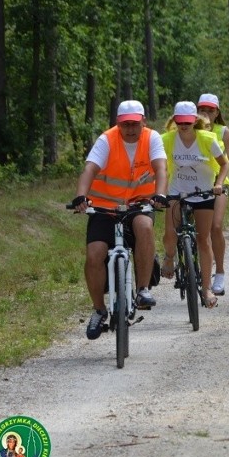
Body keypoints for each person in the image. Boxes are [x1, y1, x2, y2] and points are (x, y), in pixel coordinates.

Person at [72, 100, 168, 340]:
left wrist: (161, 194)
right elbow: (89, 169)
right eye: (125, 124)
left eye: (135, 124)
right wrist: (81, 196)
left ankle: (142, 290)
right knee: (94, 254)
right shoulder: (106, 140)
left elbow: (161, 169)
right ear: (118, 124)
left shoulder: (152, 138)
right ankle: (99, 310)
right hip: (105, 208)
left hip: (139, 204)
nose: (131, 129)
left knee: (144, 226)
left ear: (143, 122)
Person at [160, 102, 229, 307]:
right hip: (177, 191)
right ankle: (169, 258)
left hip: (204, 192)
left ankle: (206, 288)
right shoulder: (167, 140)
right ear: (174, 121)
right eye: (179, 121)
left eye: (187, 122)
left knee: (203, 239)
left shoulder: (208, 139)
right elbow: (158, 165)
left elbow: (224, 164)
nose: (183, 125)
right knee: (170, 233)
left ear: (195, 121)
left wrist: (218, 184)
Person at [197, 93, 229, 296]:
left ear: (217, 113)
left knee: (215, 227)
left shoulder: (223, 131)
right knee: (194, 230)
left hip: (218, 183)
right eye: (203, 109)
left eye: (210, 110)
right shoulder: (191, 128)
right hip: (195, 183)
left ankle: (220, 273)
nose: (206, 113)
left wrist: (228, 180)